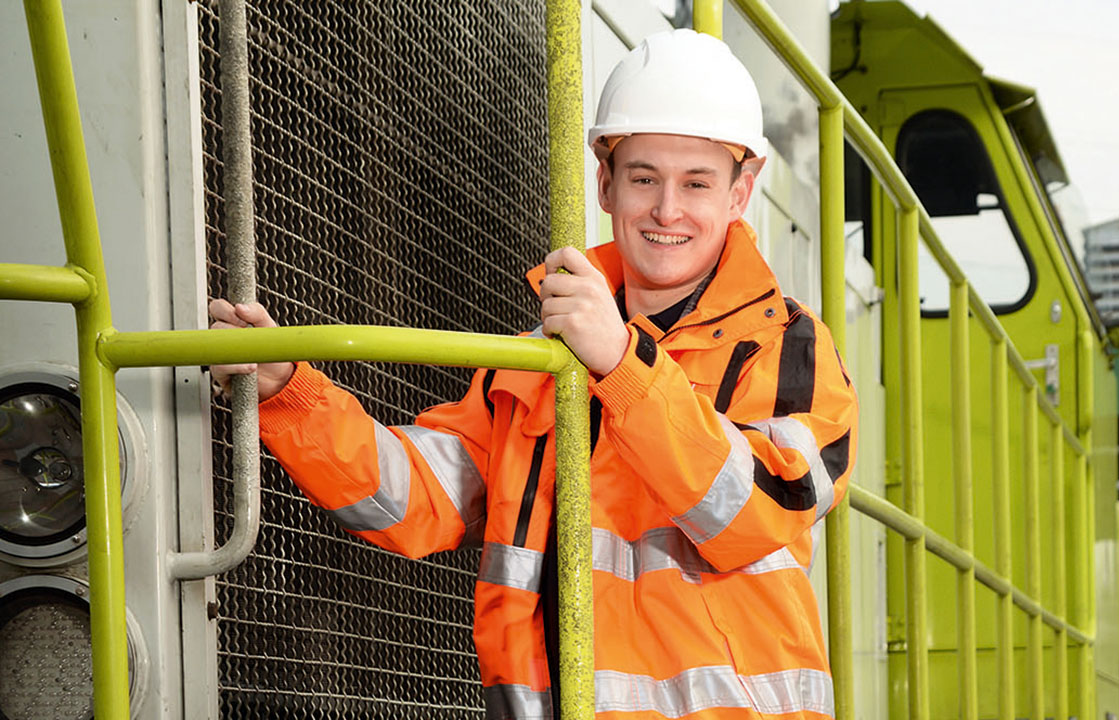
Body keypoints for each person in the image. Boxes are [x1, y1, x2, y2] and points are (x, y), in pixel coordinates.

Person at [211, 28, 857, 720]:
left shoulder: (790, 347)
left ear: (740, 193)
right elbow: (415, 500)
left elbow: (762, 507)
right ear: (605, 184)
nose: (667, 209)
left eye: (696, 183)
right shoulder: (537, 362)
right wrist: (288, 391)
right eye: (644, 178)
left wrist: (621, 365)